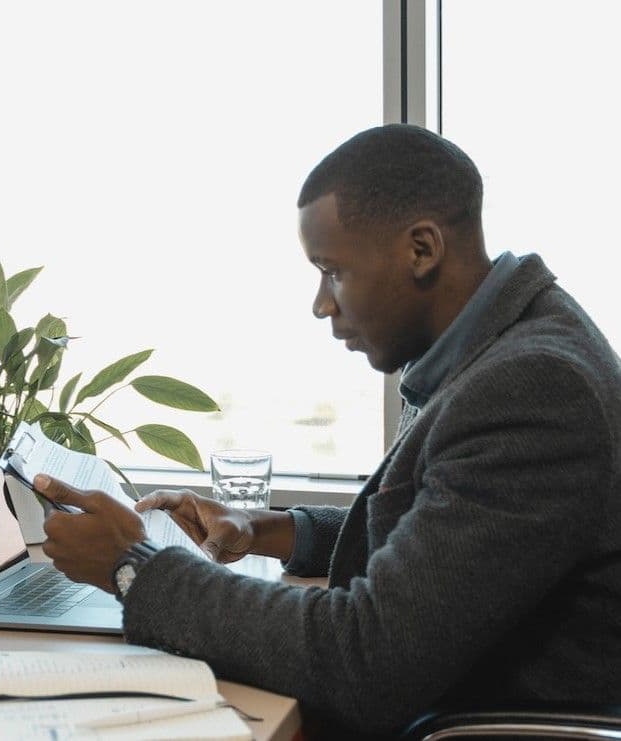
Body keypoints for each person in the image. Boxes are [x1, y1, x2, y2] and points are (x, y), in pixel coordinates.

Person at [36, 124, 621, 737]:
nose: (322, 303)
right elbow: (448, 533)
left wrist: (133, 568)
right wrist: (269, 530)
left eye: (333, 271)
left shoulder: (533, 386)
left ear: (422, 249)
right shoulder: (499, 347)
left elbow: (365, 659)